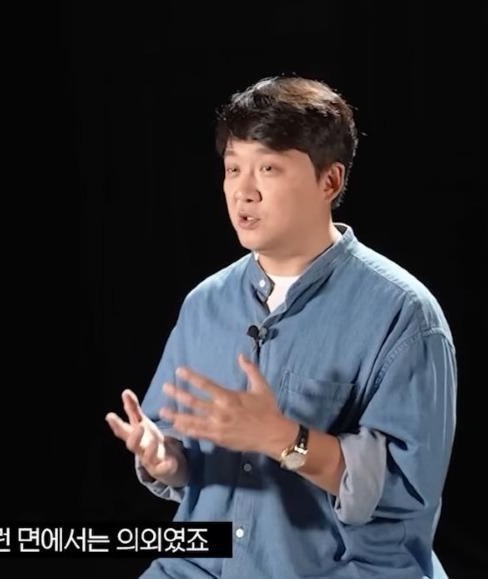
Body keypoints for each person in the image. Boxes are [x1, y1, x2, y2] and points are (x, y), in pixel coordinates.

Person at [105, 76, 456, 578]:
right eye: (233, 168)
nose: (243, 191)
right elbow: (182, 452)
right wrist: (167, 457)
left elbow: (405, 493)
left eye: (268, 168)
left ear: (329, 182)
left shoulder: (404, 314)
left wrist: (286, 439)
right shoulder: (205, 303)